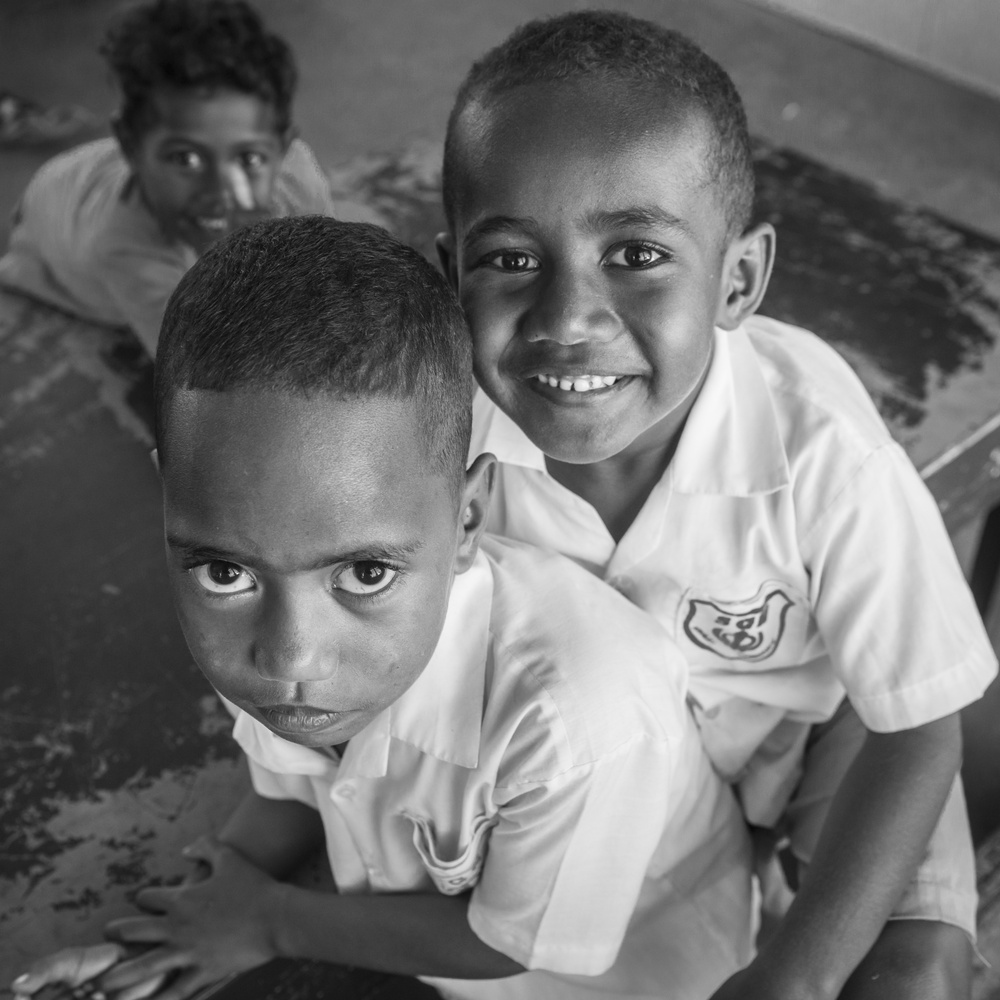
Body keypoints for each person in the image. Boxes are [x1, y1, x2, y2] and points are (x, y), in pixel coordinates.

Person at [10, 217, 754, 1000]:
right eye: (227, 572)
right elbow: (294, 781)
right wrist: (212, 892)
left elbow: (511, 942)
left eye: (365, 573)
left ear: (468, 519)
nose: (291, 660)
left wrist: (266, 920)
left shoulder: (579, 720)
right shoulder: (265, 621)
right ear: (173, 500)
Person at [434, 11, 999, 1000]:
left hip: (829, 734)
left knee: (914, 977)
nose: (568, 319)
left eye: (636, 256)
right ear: (453, 272)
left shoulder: (820, 445)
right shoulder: (434, 439)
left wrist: (797, 971)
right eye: (511, 259)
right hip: (613, 776)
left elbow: (916, 727)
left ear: (737, 278)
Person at [0, 0, 333, 355]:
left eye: (249, 158)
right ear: (128, 144)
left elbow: (324, 277)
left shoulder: (300, 177)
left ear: (283, 147)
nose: (220, 191)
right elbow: (197, 368)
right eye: (186, 159)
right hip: (49, 231)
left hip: (73, 176)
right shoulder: (126, 250)